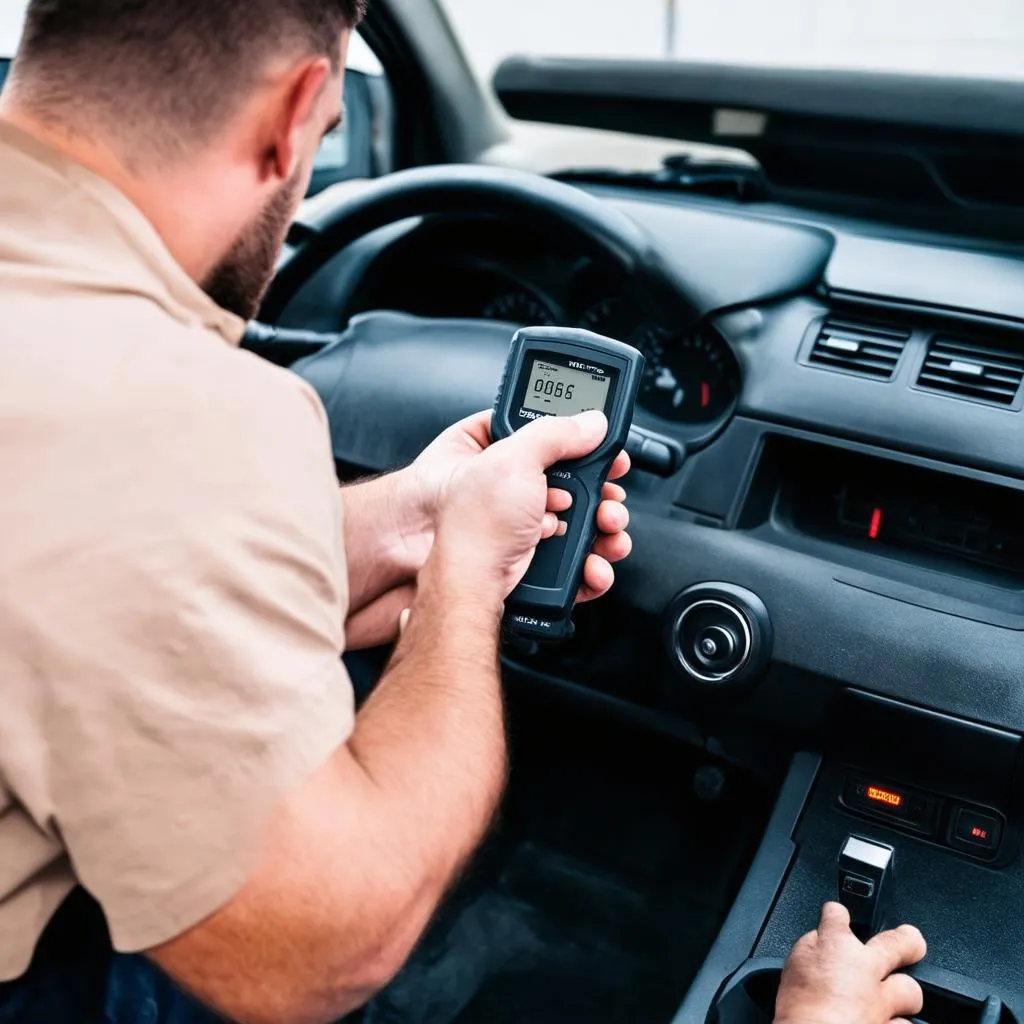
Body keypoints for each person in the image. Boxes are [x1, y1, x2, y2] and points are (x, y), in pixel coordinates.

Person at [0, 2, 927, 1022]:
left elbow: (77, 578)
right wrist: (467, 586)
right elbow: (319, 952)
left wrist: (405, 520)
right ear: (304, 106)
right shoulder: (177, 413)